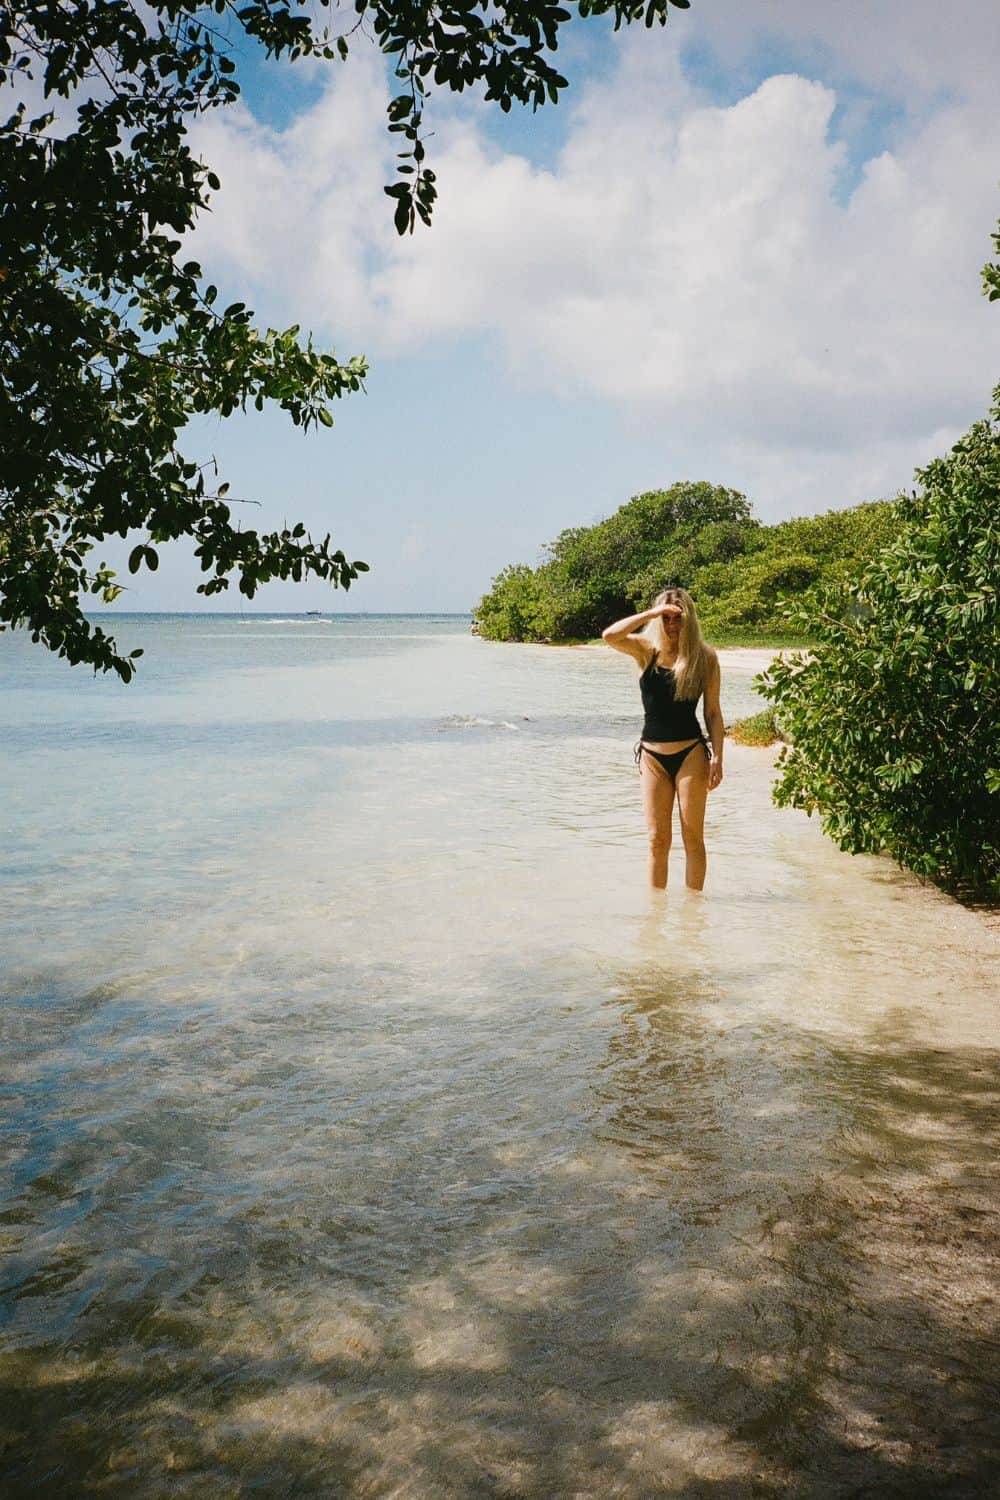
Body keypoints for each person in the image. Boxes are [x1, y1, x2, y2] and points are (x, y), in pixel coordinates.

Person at [602, 587, 724, 891]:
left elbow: (713, 713)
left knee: (692, 837)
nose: (672, 625)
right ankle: (656, 918)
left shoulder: (705, 658)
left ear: (689, 620)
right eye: (666, 619)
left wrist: (718, 757)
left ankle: (693, 917)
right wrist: (652, 613)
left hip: (691, 754)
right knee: (657, 840)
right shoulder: (646, 650)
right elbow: (609, 636)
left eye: (678, 619)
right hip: (652, 756)